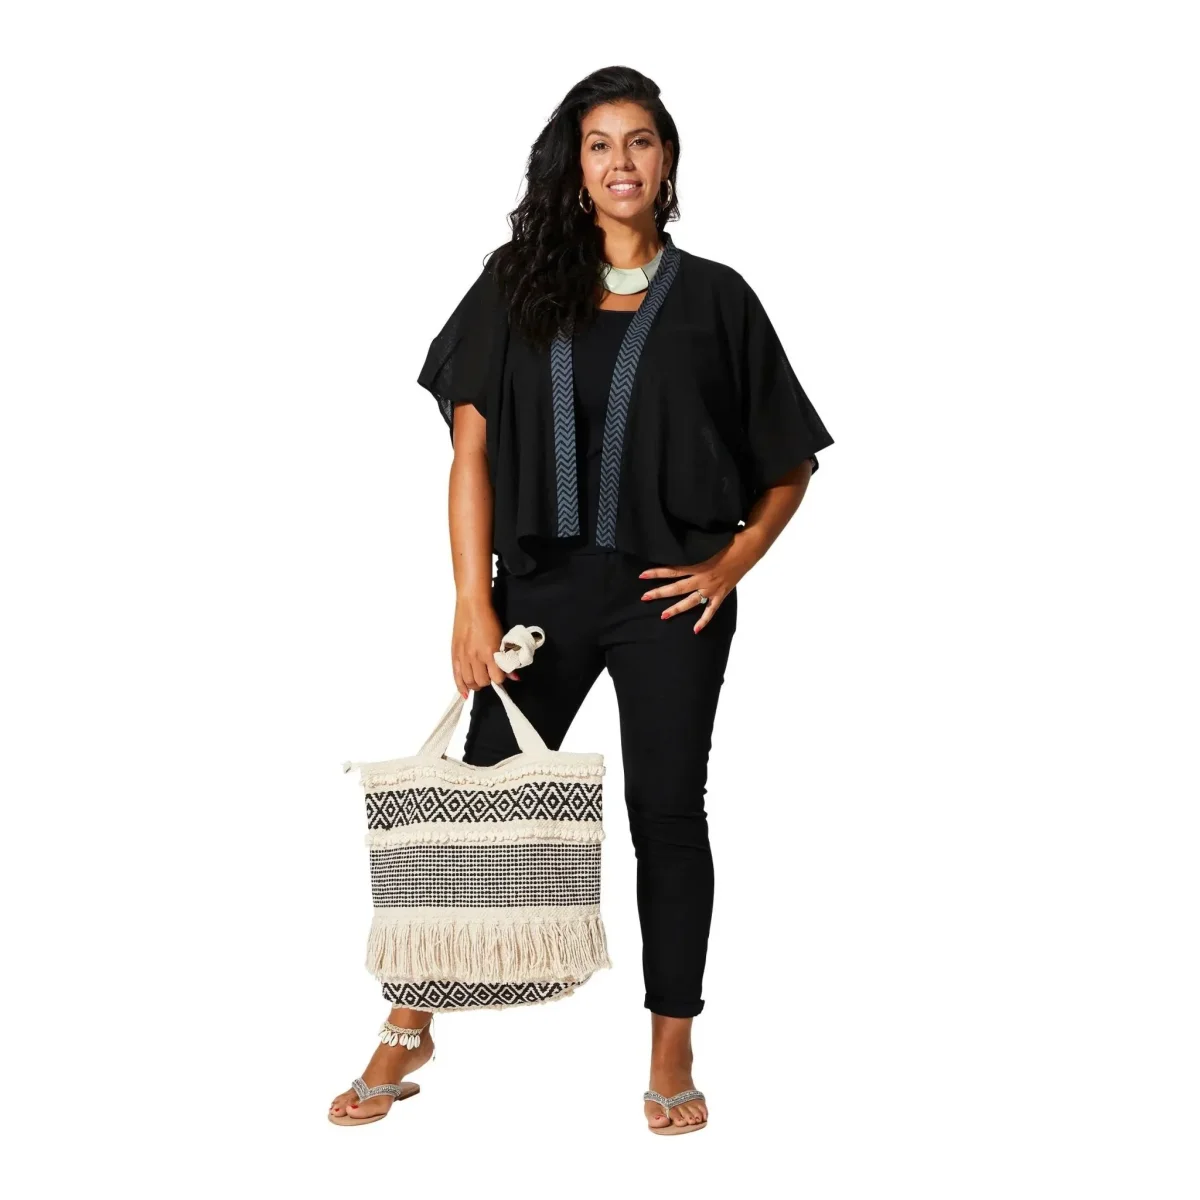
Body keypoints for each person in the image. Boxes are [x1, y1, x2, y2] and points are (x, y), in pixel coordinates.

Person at [329, 65, 833, 1135]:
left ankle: (671, 1045)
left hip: (669, 600)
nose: (620, 163)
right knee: (474, 797)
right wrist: (471, 603)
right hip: (540, 594)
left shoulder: (719, 299)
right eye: (600, 144)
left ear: (667, 159)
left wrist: (731, 563)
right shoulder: (517, 283)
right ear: (575, 164)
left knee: (668, 814)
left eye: (639, 142)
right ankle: (409, 1023)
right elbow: (470, 454)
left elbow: (789, 460)